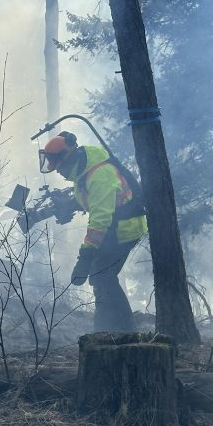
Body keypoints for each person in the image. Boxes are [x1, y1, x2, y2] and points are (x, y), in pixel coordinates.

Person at [39, 131, 147, 332]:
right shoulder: (85, 171)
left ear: (68, 158)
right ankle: (108, 330)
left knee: (101, 275)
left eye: (60, 167)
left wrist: (85, 256)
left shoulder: (99, 175)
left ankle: (123, 331)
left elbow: (101, 218)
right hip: (114, 226)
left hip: (125, 228)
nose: (58, 172)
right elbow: (94, 200)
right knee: (101, 277)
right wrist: (70, 206)